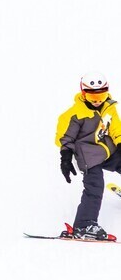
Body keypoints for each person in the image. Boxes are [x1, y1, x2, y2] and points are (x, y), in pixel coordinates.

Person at [56, 72, 121, 240]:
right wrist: (65, 157)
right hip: (88, 156)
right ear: (84, 93)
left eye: (101, 95)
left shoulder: (108, 107)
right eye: (93, 96)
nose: (98, 100)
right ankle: (84, 224)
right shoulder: (75, 114)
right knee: (94, 187)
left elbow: (116, 128)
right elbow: (65, 138)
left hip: (107, 150)